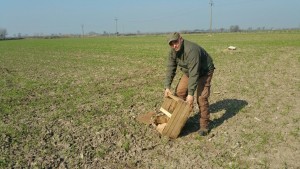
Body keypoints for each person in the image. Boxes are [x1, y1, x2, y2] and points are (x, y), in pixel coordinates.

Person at [164, 32, 215, 136]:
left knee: (201, 98)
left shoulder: (192, 50)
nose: (174, 45)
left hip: (204, 72)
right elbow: (170, 68)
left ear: (181, 39)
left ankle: (204, 126)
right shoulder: (173, 52)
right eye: (171, 44)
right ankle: (179, 121)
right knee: (179, 92)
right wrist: (167, 86)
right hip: (189, 71)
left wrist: (190, 94)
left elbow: (194, 73)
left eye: (176, 42)